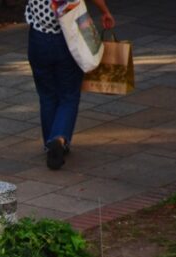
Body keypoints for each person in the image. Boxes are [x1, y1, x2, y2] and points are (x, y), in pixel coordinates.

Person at [26, 0, 114, 170]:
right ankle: (59, 138)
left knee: (47, 95)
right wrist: (105, 11)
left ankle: (50, 143)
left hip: (38, 39)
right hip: (67, 39)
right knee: (69, 95)